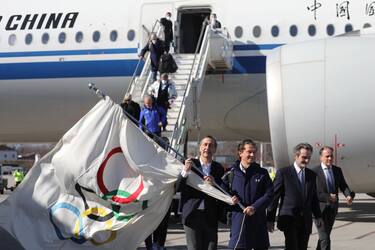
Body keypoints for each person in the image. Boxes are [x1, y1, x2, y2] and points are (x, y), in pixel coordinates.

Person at [267, 143, 322, 250]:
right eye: (304, 157)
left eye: (308, 158)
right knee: (292, 246)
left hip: (305, 220)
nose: (306, 160)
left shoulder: (311, 175)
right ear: (296, 156)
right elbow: (274, 197)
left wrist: (318, 216)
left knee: (302, 247)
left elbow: (313, 198)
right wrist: (270, 218)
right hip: (289, 219)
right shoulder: (284, 173)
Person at [223, 139, 274, 250]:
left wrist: (254, 207)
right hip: (238, 223)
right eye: (249, 152)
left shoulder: (262, 173)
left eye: (254, 152)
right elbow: (222, 194)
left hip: (258, 224)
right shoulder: (230, 173)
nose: (252, 155)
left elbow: (269, 194)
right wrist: (230, 199)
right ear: (240, 153)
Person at [176, 135, 225, 250]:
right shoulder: (190, 164)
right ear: (200, 148)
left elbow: (223, 191)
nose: (207, 148)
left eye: (211, 145)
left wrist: (214, 184)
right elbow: (178, 188)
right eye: (205, 145)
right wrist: (185, 172)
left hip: (210, 215)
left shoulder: (218, 168)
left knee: (211, 247)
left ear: (214, 149)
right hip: (192, 214)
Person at [312, 146, 355, 250]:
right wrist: (328, 197)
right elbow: (312, 193)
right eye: (327, 156)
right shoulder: (314, 172)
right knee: (325, 237)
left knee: (325, 236)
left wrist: (348, 195)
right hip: (319, 209)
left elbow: (343, 185)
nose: (330, 159)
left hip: (332, 209)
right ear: (321, 157)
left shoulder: (337, 170)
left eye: (331, 156)